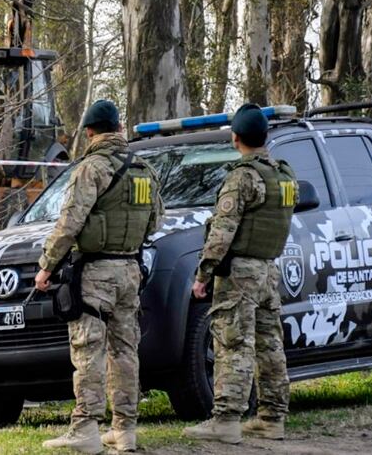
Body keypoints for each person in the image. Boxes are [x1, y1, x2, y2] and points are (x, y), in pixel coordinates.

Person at [35, 100, 163, 453]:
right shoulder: (144, 169)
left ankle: (86, 428)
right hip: (130, 269)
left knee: (88, 349)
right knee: (125, 350)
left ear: (89, 131)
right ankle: (124, 429)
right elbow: (155, 221)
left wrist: (47, 266)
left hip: (95, 272)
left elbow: (70, 223)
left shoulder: (91, 169)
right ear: (119, 128)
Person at [182, 103, 297, 444]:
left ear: (235, 138)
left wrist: (203, 275)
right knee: (269, 344)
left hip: (240, 273)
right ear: (265, 136)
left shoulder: (242, 177)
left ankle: (226, 420)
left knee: (233, 343)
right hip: (268, 270)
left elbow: (222, 232)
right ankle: (272, 418)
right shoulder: (284, 175)